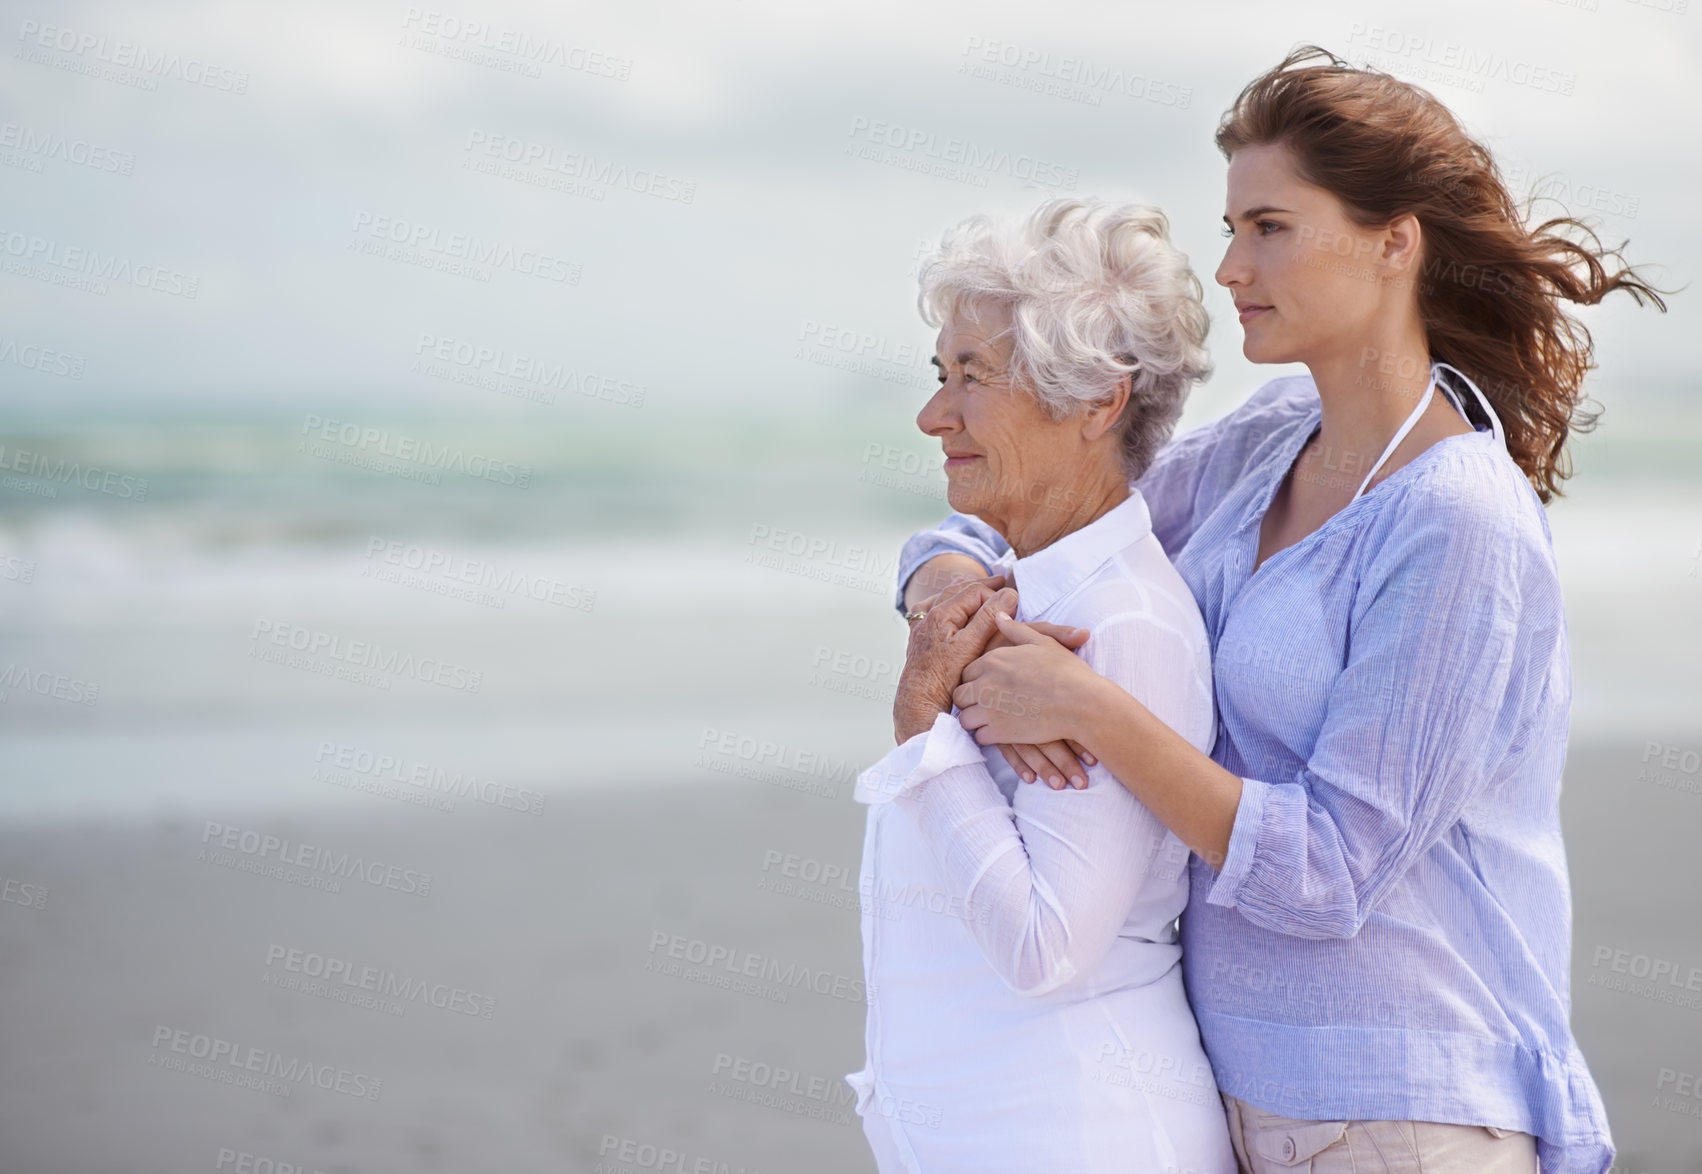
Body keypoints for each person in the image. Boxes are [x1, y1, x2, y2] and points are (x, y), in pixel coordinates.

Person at [896, 46, 1666, 1174]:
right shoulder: (1265, 440)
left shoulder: (1458, 522)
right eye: (1228, 229)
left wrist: (1096, 712)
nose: (1227, 266)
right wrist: (944, 582)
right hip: (1228, 1093)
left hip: (1408, 1114)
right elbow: (1046, 515)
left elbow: (1328, 872)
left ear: (1393, 241)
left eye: (1268, 227)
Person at [845, 197, 1236, 1172]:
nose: (934, 414)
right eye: (941, 375)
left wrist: (919, 731)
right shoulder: (1027, 589)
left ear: (1098, 400)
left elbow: (1045, 943)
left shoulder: (1126, 625)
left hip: (1082, 1132)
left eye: (972, 377)